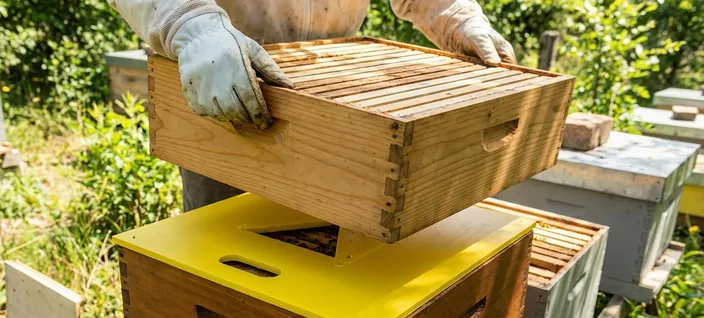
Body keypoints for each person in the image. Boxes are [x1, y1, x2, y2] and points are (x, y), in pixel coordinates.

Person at [110, 0, 516, 211]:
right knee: (222, 262)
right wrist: (191, 24)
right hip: (227, 78)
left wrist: (455, 17)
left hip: (339, 90)